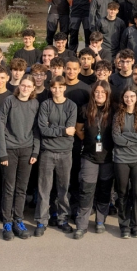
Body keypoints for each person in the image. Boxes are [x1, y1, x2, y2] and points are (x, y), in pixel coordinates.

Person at [0, 75, 40, 241]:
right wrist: (2, 152)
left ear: (33, 89)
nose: (25, 88)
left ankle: (18, 220)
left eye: (29, 86)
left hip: (27, 150)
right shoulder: (9, 101)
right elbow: (0, 125)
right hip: (10, 149)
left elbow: (37, 129)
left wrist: (35, 152)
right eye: (23, 85)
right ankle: (7, 222)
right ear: (19, 86)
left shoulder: (35, 104)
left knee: (22, 188)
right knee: (9, 187)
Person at [34, 76, 78, 236]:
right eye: (54, 87)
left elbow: (71, 130)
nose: (57, 90)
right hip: (47, 152)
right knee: (44, 189)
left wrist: (54, 128)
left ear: (64, 88)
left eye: (60, 87)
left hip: (65, 152)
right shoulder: (45, 105)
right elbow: (43, 130)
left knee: (63, 189)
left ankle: (63, 219)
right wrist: (61, 130)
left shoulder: (71, 106)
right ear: (50, 88)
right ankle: (41, 221)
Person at [74, 80, 115, 238]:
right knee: (86, 189)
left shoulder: (113, 110)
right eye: (96, 92)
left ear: (107, 94)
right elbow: (78, 129)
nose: (99, 95)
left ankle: (100, 220)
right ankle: (82, 224)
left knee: (105, 189)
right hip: (89, 156)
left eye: (102, 92)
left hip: (108, 157)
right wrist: (89, 141)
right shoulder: (84, 109)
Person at [113, 88, 137, 239]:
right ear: (123, 98)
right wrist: (131, 139)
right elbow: (116, 138)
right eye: (126, 96)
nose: (129, 99)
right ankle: (124, 225)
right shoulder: (117, 116)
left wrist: (126, 138)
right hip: (121, 159)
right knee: (122, 193)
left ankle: (136, 225)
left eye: (132, 96)